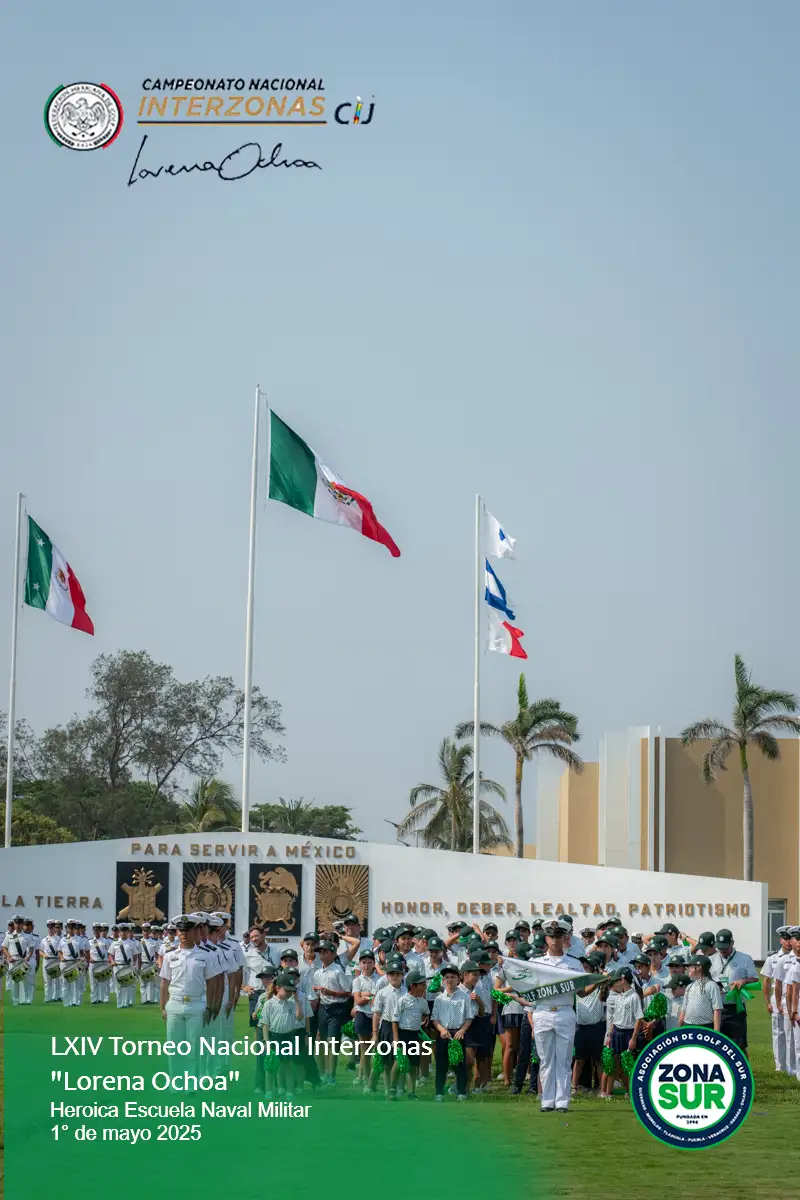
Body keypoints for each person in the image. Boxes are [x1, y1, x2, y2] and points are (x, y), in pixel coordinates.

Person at [530, 918, 583, 1113]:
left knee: (564, 1059)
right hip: (543, 1011)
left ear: (565, 939)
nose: (555, 940)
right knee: (545, 1060)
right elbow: (526, 987)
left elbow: (581, 991)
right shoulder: (535, 962)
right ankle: (547, 1100)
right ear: (546, 938)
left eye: (559, 936)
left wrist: (598, 982)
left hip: (564, 1011)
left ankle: (562, 1101)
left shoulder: (574, 963)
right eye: (551, 937)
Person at [159, 915, 221, 1077]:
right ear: (177, 932)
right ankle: (176, 1081)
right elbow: (164, 983)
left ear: (196, 932)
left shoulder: (206, 955)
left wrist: (210, 1007)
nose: (184, 934)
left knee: (194, 1047)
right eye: (181, 930)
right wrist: (162, 1007)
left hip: (196, 1005)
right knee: (174, 1047)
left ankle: (192, 1081)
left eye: (188, 930)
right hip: (174, 1004)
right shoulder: (170, 955)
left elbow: (212, 983)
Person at [257, 972, 305, 1101]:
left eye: (291, 991)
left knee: (287, 1065)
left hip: (287, 1037)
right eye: (287, 990)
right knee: (271, 1065)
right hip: (274, 1037)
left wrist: (297, 1001)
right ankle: (269, 1091)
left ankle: (289, 1091)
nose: (289, 993)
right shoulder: (269, 1004)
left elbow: (300, 1017)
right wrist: (266, 1041)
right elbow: (265, 1024)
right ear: (278, 988)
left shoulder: (291, 1004)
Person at [708, 928, 758, 1052]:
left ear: (732, 943)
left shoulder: (745, 958)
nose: (723, 950)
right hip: (716, 1008)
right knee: (716, 1044)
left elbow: (755, 978)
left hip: (736, 1007)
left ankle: (743, 1065)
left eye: (725, 947)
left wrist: (743, 981)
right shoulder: (711, 960)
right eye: (720, 947)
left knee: (739, 1045)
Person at [431, 963, 475, 1101]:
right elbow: (435, 1019)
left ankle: (461, 1092)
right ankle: (439, 1093)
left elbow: (469, 1018)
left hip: (458, 1034)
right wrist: (442, 1030)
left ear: (458, 979)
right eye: (447, 977)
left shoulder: (464, 997)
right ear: (443, 980)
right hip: (444, 1034)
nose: (449, 980)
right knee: (441, 1064)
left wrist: (462, 1030)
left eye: (452, 977)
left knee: (460, 1064)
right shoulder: (439, 999)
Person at [312, 939, 353, 1085]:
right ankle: (321, 1073)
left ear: (333, 953)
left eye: (325, 951)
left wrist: (331, 993)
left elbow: (348, 992)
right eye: (320, 952)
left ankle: (331, 1075)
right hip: (322, 1009)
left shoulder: (337, 971)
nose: (322, 954)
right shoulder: (317, 973)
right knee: (321, 1042)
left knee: (332, 1043)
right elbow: (317, 994)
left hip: (336, 1009)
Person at [601, 968, 643, 1099]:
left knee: (627, 1065)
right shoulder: (618, 996)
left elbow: (639, 1018)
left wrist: (633, 1038)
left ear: (623, 980)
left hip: (628, 1033)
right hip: (616, 1032)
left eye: (616, 981)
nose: (614, 984)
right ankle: (608, 1093)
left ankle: (631, 1093)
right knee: (614, 1063)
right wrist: (610, 1035)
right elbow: (615, 1019)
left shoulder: (634, 997)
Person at [572, 951, 608, 1096]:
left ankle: (601, 1089)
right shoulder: (579, 981)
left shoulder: (601, 982)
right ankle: (574, 1088)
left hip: (597, 1027)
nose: (584, 967)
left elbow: (607, 977)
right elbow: (581, 992)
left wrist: (601, 975)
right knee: (579, 1060)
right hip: (581, 1027)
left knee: (598, 1061)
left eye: (586, 965)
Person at [392, 969, 430, 1099]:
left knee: (414, 1065)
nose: (424, 987)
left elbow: (426, 1013)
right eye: (422, 984)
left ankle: (411, 1092)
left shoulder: (422, 1002)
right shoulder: (402, 1000)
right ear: (413, 986)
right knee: (399, 1062)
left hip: (414, 1035)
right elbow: (395, 1021)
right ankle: (392, 1089)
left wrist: (425, 1019)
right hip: (403, 1034)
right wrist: (396, 1039)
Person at [371, 963, 406, 1100]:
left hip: (403, 1027)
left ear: (402, 975)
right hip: (386, 1026)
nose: (394, 977)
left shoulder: (406, 992)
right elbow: (376, 1014)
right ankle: (387, 1088)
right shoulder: (382, 992)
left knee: (401, 1059)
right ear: (387, 976)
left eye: (397, 974)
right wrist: (375, 1034)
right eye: (391, 974)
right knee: (386, 1060)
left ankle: (400, 1088)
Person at [352, 950, 380, 1090]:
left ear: (374, 963)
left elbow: (378, 999)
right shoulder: (357, 980)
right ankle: (366, 1078)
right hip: (362, 1014)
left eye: (369, 962)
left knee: (375, 1049)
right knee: (365, 1049)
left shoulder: (379, 979)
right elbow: (358, 1001)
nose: (367, 965)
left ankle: (368, 1077)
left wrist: (366, 995)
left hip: (376, 1015)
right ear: (360, 964)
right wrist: (370, 996)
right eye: (364, 962)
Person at [679, 955, 722, 1031]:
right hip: (687, 1025)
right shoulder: (689, 986)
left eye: (690, 966)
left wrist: (716, 1031)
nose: (687, 968)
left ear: (699, 967)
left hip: (705, 1026)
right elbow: (684, 1007)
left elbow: (717, 1009)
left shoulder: (712, 985)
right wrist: (680, 1023)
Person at [112, 923, 138, 1008]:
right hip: (118, 966)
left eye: (125, 931)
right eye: (121, 931)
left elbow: (135, 954)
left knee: (127, 985)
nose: (123, 933)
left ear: (127, 932)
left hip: (127, 966)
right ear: (119, 932)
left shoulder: (132, 943)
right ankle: (119, 1004)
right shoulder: (115, 943)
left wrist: (134, 963)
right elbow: (110, 954)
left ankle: (125, 1003)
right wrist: (112, 961)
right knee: (119, 985)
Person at [59, 920, 84, 1008]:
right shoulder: (63, 939)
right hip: (65, 963)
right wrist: (61, 957)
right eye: (69, 928)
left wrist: (82, 958)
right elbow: (59, 951)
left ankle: (76, 1002)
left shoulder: (79, 939)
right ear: (67, 929)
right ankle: (66, 1002)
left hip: (75, 963)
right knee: (65, 984)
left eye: (73, 928)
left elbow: (82, 951)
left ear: (75, 929)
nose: (71, 930)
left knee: (76, 984)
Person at [41, 919, 63, 1003]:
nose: (50, 929)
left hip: (56, 960)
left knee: (56, 980)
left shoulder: (60, 939)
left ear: (54, 928)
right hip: (47, 961)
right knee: (47, 980)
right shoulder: (44, 940)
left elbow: (62, 950)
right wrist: (44, 955)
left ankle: (56, 996)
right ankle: (47, 997)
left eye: (52, 927)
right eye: (49, 927)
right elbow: (40, 950)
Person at [88, 923, 111, 1004]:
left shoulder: (105, 941)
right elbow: (86, 952)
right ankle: (94, 999)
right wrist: (89, 958)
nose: (96, 932)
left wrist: (109, 961)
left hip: (103, 963)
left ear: (100, 931)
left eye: (98, 930)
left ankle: (105, 998)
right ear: (93, 931)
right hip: (93, 963)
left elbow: (109, 952)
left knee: (105, 981)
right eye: (95, 930)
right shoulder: (90, 941)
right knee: (93, 982)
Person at [138, 923, 161, 1004]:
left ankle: (150, 999)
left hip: (152, 964)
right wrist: (138, 967)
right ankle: (143, 1000)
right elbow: (138, 956)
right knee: (142, 983)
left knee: (151, 982)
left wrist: (158, 965)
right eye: (144, 931)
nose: (145, 932)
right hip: (143, 964)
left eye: (147, 931)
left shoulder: (154, 942)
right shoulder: (139, 942)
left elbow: (157, 955)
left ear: (149, 931)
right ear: (142, 931)